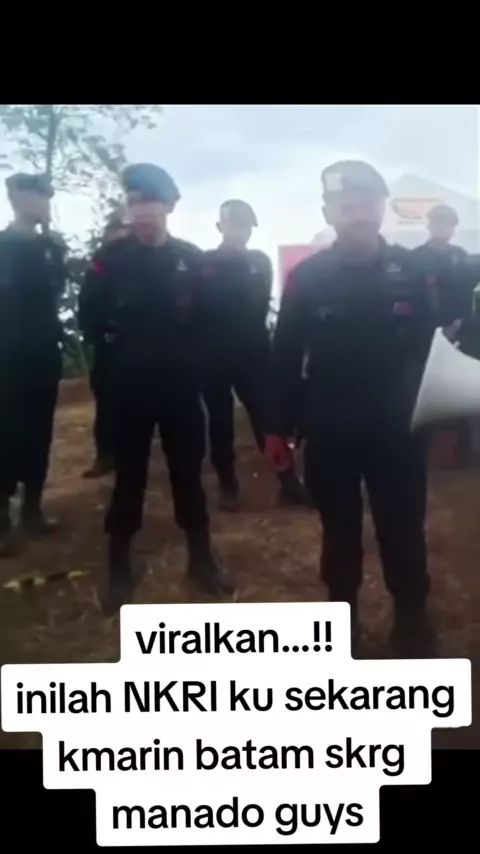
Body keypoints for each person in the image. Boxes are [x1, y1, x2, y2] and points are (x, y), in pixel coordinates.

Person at [266, 160, 441, 657]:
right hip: (331, 428)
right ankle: (342, 624)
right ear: (329, 212)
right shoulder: (308, 278)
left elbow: (433, 350)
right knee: (339, 533)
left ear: (381, 208)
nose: (359, 213)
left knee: (402, 528)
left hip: (398, 429)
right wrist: (276, 428)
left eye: (367, 202)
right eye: (347, 205)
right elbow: (284, 354)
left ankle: (411, 621)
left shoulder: (413, 270)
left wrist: (439, 411)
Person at [81, 163, 233, 615]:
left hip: (180, 386)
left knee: (188, 474)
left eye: (149, 201)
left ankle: (201, 560)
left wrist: (194, 364)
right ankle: (119, 566)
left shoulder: (191, 259)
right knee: (129, 476)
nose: (141, 210)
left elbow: (210, 321)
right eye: (133, 202)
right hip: (129, 386)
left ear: (168, 206)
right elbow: (89, 320)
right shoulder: (110, 259)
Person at [201, 199, 308, 511]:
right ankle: (228, 486)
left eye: (246, 226)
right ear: (220, 227)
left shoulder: (258, 261)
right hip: (213, 355)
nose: (240, 232)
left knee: (267, 419)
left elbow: (254, 302)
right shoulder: (203, 264)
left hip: (253, 353)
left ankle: (289, 483)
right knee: (219, 423)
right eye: (234, 225)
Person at [0, 173, 67, 557]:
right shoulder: (3, 246)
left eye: (45, 198)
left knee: (40, 430)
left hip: (43, 351)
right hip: (7, 354)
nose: (41, 203)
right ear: (14, 199)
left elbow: (57, 292)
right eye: (35, 196)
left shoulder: (51, 247)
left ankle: (32, 509)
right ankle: (1, 520)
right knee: (7, 432)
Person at [413, 205, 474, 466]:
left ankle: (460, 448)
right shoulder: (415, 258)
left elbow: (468, 293)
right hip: (424, 335)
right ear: (430, 226)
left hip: (459, 333)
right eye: (438, 223)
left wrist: (457, 323)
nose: (443, 229)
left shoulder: (461, 257)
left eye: (448, 224)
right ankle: (423, 446)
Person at [79, 214, 129, 479]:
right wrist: (94, 332)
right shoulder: (99, 262)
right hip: (107, 344)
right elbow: (87, 299)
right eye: (115, 232)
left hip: (137, 343)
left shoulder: (139, 259)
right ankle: (105, 455)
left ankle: (131, 455)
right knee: (106, 402)